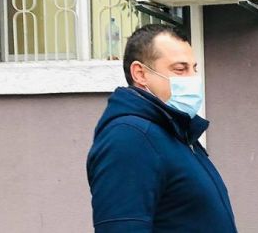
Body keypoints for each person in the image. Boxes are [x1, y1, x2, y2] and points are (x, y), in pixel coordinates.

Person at [87, 24, 237, 232]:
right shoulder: (129, 138)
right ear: (140, 73)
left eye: (194, 69)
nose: (192, 78)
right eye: (180, 69)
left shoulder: (174, 133)